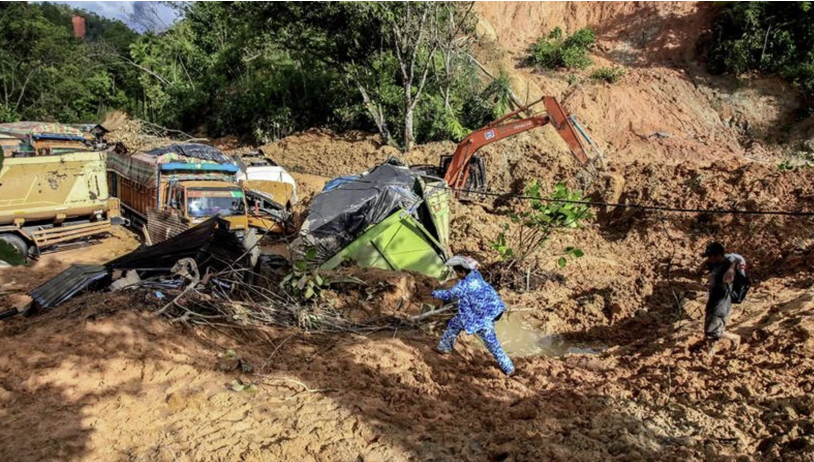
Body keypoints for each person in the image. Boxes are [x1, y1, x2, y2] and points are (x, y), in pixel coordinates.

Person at [432, 256, 515, 376]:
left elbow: (449, 295)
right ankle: (444, 347)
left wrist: (432, 292)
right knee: (455, 322)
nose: (456, 275)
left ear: (462, 272)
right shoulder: (475, 274)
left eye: (457, 272)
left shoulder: (465, 285)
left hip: (482, 315)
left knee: (491, 341)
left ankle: (508, 368)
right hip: (494, 309)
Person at [700, 242, 742, 356]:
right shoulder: (715, 264)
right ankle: (710, 352)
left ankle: (734, 338)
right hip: (712, 301)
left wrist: (732, 267)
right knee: (709, 330)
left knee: (712, 331)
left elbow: (729, 278)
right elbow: (701, 269)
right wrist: (707, 261)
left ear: (717, 255)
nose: (709, 258)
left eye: (711, 256)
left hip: (721, 303)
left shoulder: (728, 265)